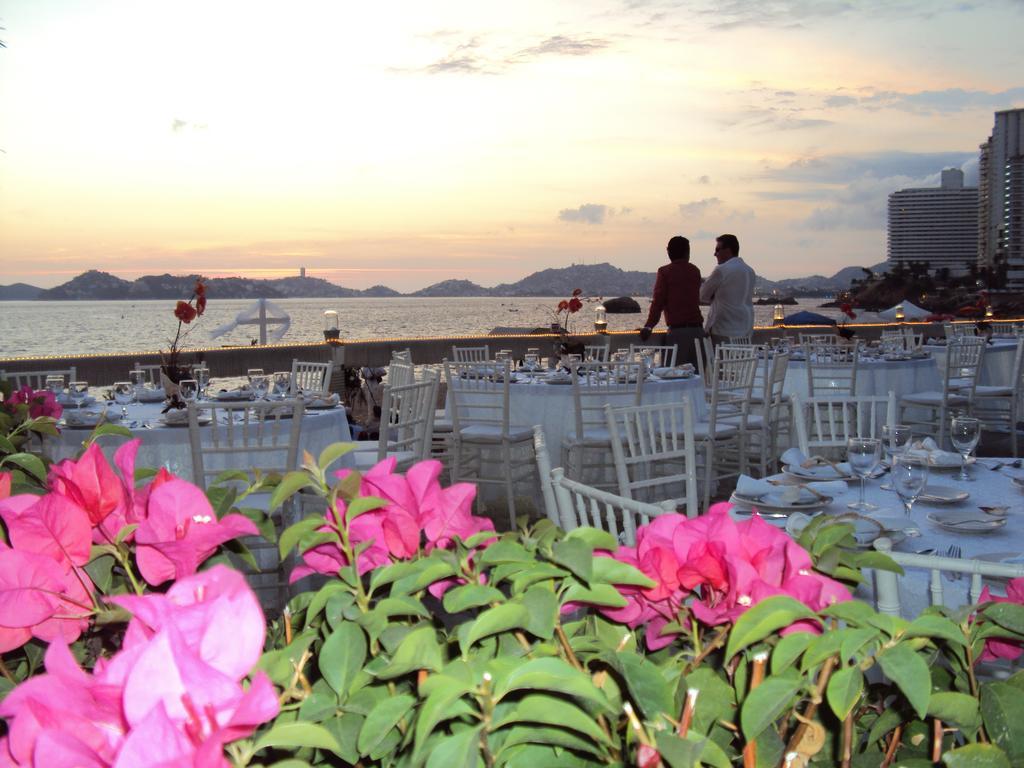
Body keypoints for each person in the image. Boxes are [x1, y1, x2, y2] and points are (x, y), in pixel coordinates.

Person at [639, 235, 704, 368]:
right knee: (696, 377)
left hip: (678, 333)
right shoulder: (695, 271)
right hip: (698, 332)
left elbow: (658, 302)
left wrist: (649, 326)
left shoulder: (665, 272)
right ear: (687, 252)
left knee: (673, 375)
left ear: (668, 251)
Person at [699, 233, 755, 346]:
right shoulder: (750, 271)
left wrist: (707, 288)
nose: (715, 254)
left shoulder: (721, 270)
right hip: (745, 330)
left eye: (718, 249)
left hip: (723, 330)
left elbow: (702, 296)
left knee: (720, 363)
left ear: (728, 250)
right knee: (740, 363)